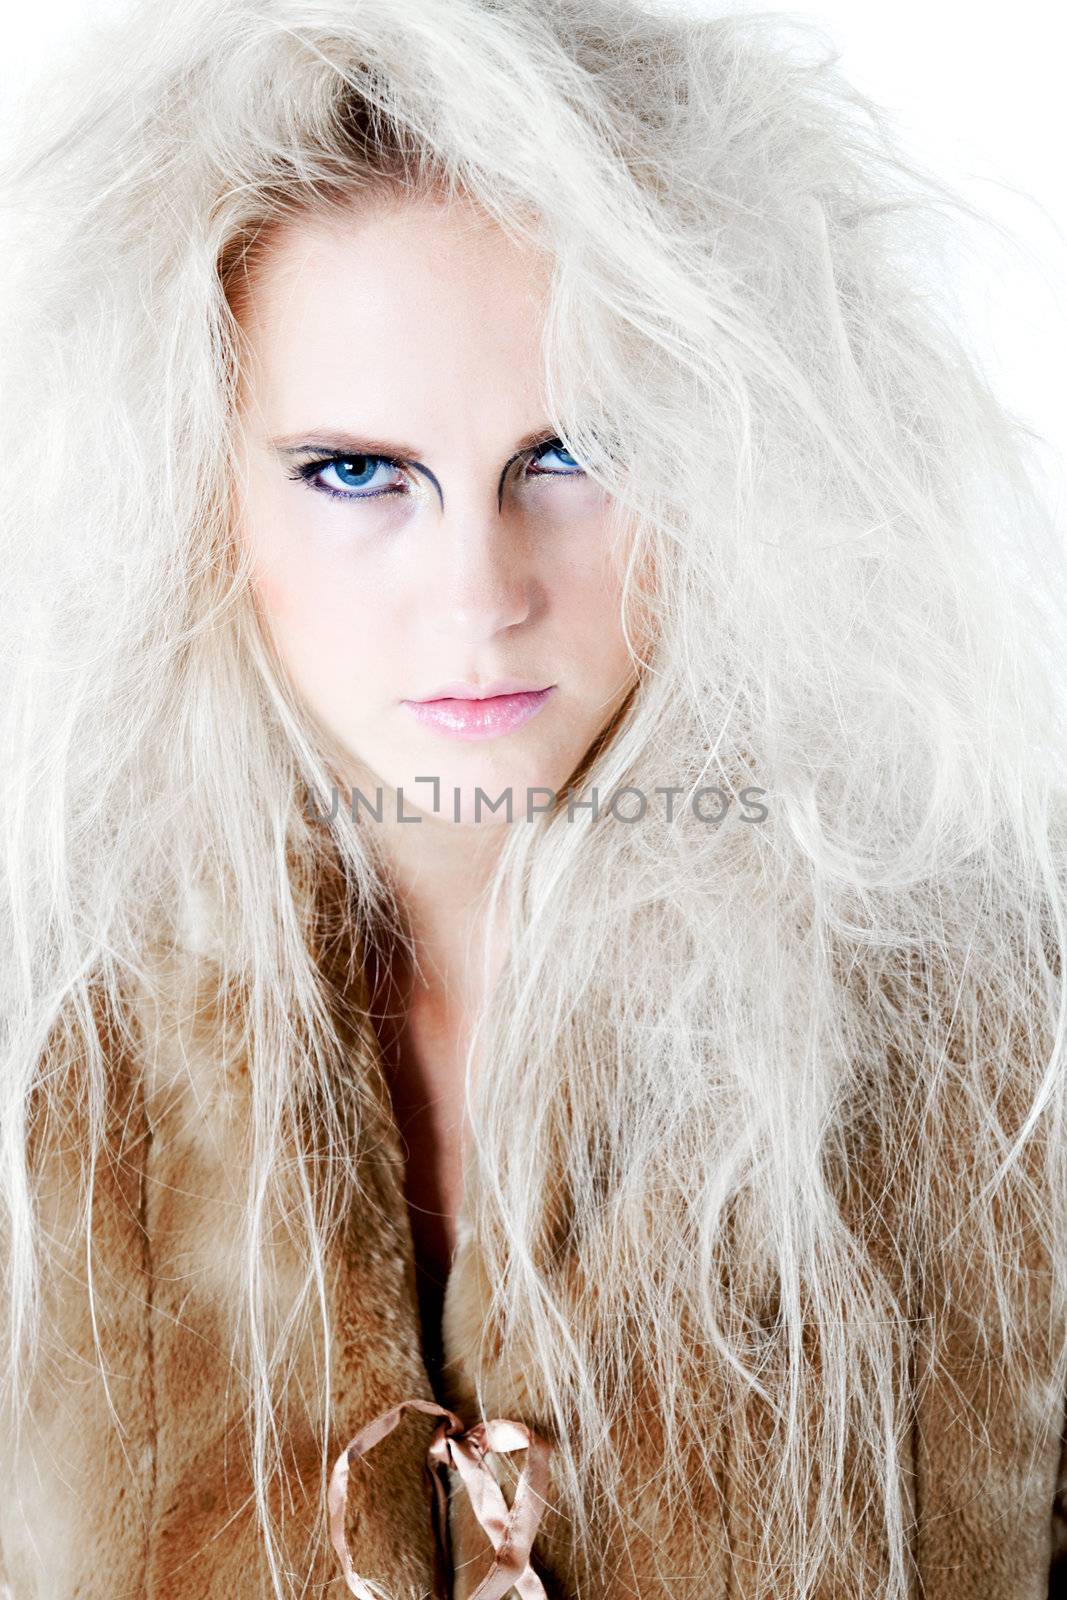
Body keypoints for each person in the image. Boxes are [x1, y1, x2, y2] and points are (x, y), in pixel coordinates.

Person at [1, 0, 1066, 1596]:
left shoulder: (1012, 1043)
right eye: (355, 472)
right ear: (195, 486)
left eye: (576, 449)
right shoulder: (46, 1051)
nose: (480, 593)